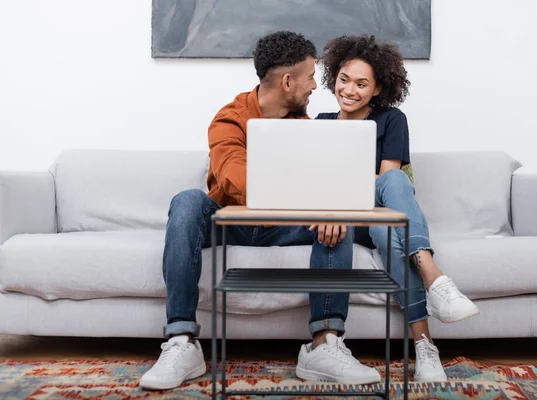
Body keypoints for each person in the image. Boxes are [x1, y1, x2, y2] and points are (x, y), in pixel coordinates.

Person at [139, 31, 380, 390]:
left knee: (335, 215)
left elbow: (321, 182)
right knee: (187, 201)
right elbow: (235, 177)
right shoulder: (229, 118)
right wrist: (302, 200)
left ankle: (324, 345)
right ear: (287, 82)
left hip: (282, 227)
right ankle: (181, 342)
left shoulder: (305, 127)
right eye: (311, 76)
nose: (316, 85)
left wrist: (325, 207)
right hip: (231, 222)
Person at [316, 35, 480, 382]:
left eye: (362, 84)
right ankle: (433, 278)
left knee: (388, 218)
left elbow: (389, 182)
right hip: (345, 221)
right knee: (388, 193)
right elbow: (320, 186)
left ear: (377, 90)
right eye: (344, 80)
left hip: (382, 216)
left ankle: (425, 347)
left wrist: (345, 178)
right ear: (334, 77)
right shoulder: (320, 122)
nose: (349, 90)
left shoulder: (392, 119)